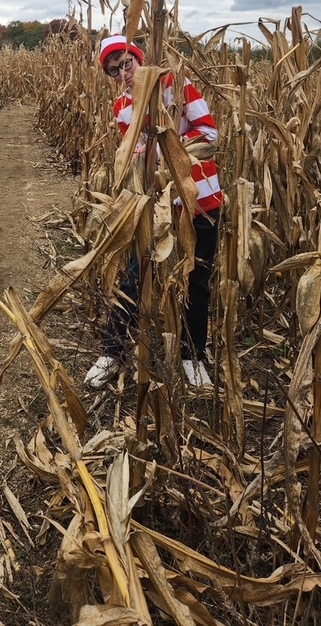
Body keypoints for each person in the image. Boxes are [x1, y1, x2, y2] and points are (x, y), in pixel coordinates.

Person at [84, 34, 222, 390]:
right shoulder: (122, 108)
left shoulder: (175, 84)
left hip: (200, 200)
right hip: (154, 205)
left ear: (139, 59)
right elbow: (133, 154)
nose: (123, 73)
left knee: (197, 282)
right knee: (135, 275)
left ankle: (193, 358)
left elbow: (209, 135)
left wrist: (168, 148)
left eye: (126, 63)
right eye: (114, 70)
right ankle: (112, 352)